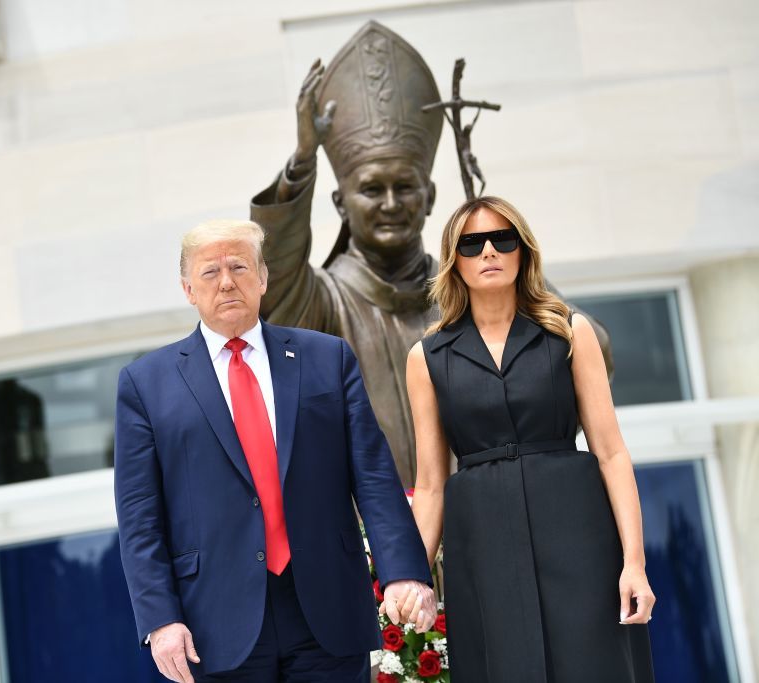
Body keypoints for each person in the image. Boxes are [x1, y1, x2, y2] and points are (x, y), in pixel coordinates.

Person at [250, 21, 612, 487]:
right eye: (371, 190)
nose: (390, 204)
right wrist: (303, 160)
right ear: (341, 203)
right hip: (375, 543)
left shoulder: (475, 292)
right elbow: (272, 274)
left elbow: (593, 348)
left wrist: (514, 275)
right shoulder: (322, 303)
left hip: (486, 521)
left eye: (405, 187)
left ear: (430, 196)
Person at [114, 219, 435, 682]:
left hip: (327, 607)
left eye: (240, 266)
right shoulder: (145, 385)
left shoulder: (327, 358)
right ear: (188, 288)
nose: (227, 281)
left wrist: (403, 572)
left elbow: (374, 476)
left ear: (263, 278)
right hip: (215, 621)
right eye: (210, 272)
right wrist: (160, 619)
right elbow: (140, 518)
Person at [407, 196, 656, 682]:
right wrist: (413, 576)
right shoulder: (428, 356)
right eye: (472, 244)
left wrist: (634, 563)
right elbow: (432, 483)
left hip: (578, 534)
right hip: (482, 544)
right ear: (453, 259)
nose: (489, 253)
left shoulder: (569, 331)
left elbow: (611, 452)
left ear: (523, 251)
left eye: (503, 240)